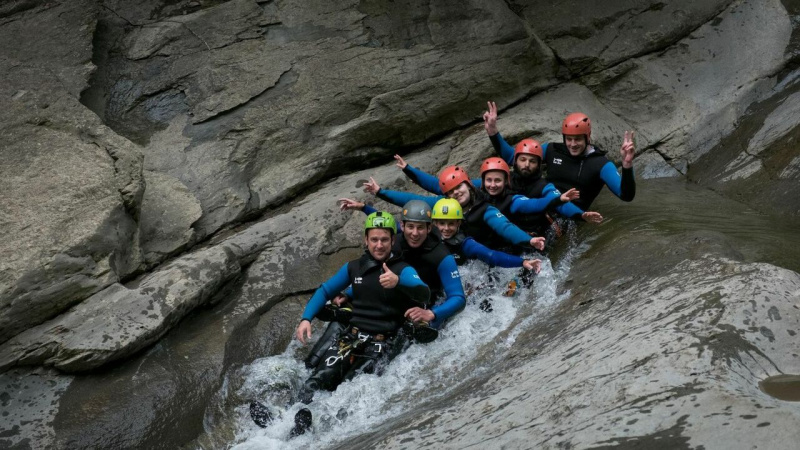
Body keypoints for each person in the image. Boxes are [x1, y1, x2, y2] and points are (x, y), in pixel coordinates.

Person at [250, 211, 430, 436]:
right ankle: (283, 419)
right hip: (352, 337)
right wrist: (306, 318)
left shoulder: (403, 269)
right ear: (365, 240)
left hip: (381, 343)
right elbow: (325, 290)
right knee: (317, 379)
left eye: (385, 239)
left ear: (393, 240)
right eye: (374, 239)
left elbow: (424, 293)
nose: (379, 245)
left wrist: (398, 282)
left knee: (350, 386)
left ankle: (315, 428)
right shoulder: (354, 268)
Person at [483, 101, 635, 211]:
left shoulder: (601, 164)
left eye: (578, 139)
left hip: (567, 217)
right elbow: (513, 158)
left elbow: (626, 195)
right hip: (540, 203)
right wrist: (493, 132)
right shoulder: (552, 150)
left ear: (587, 137)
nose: (573, 144)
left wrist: (627, 165)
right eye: (569, 139)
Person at [361, 170, 546, 252]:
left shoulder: (485, 209)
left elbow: (504, 226)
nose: (456, 192)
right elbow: (416, 202)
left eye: (460, 187)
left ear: (470, 185)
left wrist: (528, 240)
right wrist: (379, 193)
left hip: (494, 250)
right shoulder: (446, 205)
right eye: (451, 191)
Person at [339, 197, 542, 272]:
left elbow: (490, 255)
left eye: (451, 224)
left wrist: (521, 262)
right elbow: (388, 226)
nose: (445, 228)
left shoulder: (465, 243)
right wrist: (363, 207)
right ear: (433, 224)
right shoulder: (421, 233)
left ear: (459, 224)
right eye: (441, 223)